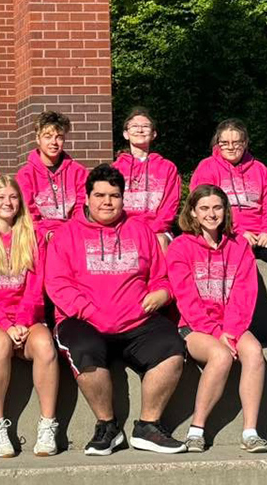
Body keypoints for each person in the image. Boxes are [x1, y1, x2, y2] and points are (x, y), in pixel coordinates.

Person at [46, 164, 187, 456]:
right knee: (83, 350)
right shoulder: (66, 235)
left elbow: (160, 276)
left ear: (124, 198)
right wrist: (88, 310)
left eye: (114, 195)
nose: (107, 201)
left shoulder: (141, 230)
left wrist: (162, 293)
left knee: (172, 347)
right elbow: (57, 284)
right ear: (86, 198)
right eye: (99, 195)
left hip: (137, 321)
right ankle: (108, 426)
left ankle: (148, 426)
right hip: (84, 320)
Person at [190, 119, 267, 344]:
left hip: (261, 233)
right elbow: (204, 206)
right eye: (225, 143)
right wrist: (236, 231)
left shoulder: (260, 170)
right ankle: (243, 326)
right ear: (217, 143)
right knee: (243, 262)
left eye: (237, 142)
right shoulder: (207, 168)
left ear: (246, 143)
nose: (231, 147)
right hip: (227, 233)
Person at [167, 184, 267, 454]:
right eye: (204, 208)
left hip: (232, 324)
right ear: (193, 213)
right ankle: (197, 430)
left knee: (255, 352)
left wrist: (231, 331)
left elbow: (244, 293)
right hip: (194, 326)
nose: (211, 214)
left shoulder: (239, 247)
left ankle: (250, 431)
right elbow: (185, 297)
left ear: (225, 210)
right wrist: (215, 331)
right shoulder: (180, 247)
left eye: (217, 207)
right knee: (221, 356)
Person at [0, 175, 60, 458]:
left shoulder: (31, 237)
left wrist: (21, 321)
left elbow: (35, 287)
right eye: (1, 198)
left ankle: (47, 424)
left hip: (28, 317)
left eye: (13, 197)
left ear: (20, 202)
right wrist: (6, 325)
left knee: (45, 346)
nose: (8, 202)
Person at [112, 107, 180, 251]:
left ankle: (162, 275)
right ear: (126, 134)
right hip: (123, 227)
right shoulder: (115, 168)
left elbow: (170, 205)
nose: (140, 130)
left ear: (154, 134)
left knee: (161, 240)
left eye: (145, 126)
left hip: (156, 229)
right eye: (134, 126)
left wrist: (152, 230)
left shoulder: (167, 168)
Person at [15, 111, 88, 245]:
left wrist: (69, 231)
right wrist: (45, 234)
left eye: (59, 137)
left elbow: (82, 208)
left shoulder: (78, 172)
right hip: (38, 239)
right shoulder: (25, 175)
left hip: (72, 237)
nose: (54, 142)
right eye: (47, 137)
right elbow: (28, 213)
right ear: (38, 138)